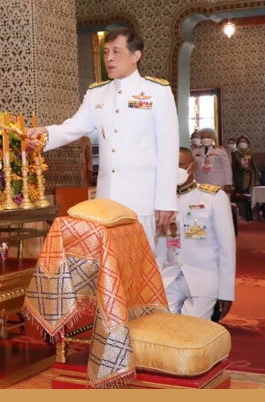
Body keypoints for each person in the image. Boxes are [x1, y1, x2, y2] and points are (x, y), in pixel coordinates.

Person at [29, 27, 179, 250]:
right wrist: (43, 135)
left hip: (143, 198)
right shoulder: (96, 94)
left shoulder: (156, 92)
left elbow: (168, 149)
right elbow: (72, 127)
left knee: (141, 264)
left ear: (135, 56)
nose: (109, 58)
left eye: (116, 51)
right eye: (106, 51)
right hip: (106, 198)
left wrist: (165, 201)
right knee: (110, 264)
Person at [157, 147, 236, 320]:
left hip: (204, 279)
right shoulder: (162, 200)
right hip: (170, 277)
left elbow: (227, 249)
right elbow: (160, 246)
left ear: (192, 167)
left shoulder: (213, 197)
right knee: (161, 326)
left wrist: (226, 291)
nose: (174, 170)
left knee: (190, 331)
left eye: (179, 165)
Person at [192, 127, 233, 192]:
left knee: (217, 201)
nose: (205, 139)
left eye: (208, 137)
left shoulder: (220, 150)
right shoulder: (195, 151)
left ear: (213, 138)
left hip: (217, 183)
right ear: (200, 138)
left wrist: (228, 183)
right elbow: (193, 167)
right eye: (203, 137)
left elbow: (226, 167)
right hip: (200, 182)